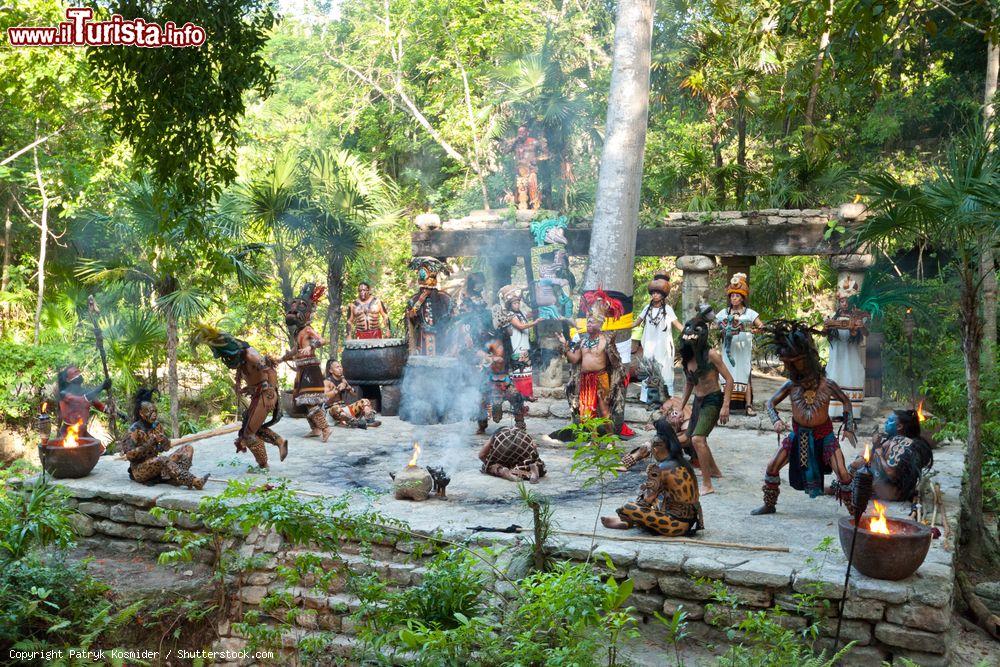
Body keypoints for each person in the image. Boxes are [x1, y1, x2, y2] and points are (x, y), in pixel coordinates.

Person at [750, 320, 858, 516]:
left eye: (793, 362)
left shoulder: (827, 384)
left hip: (824, 436)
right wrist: (775, 420)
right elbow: (770, 403)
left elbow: (846, 402)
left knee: (842, 473)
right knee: (772, 466)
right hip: (798, 436)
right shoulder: (791, 385)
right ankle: (769, 504)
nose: (790, 367)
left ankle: (854, 512)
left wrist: (848, 426)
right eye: (788, 363)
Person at [193, 324, 287, 468]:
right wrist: (245, 387)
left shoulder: (251, 355)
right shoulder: (241, 357)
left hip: (265, 394)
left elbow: (271, 372)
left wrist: (269, 395)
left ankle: (264, 465)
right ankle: (279, 441)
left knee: (249, 434)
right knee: (250, 428)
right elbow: (248, 373)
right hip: (259, 393)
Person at [601, 416, 704, 536]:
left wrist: (629, 510)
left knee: (628, 507)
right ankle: (630, 521)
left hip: (676, 525)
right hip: (691, 522)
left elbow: (646, 501)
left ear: (655, 449)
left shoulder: (661, 468)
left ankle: (627, 521)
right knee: (655, 503)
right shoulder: (684, 462)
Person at [672, 305, 732, 495]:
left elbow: (729, 379)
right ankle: (714, 471)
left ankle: (707, 485)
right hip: (698, 401)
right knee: (692, 439)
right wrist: (680, 408)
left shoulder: (711, 355)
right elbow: (690, 384)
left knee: (698, 439)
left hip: (713, 400)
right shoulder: (687, 359)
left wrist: (726, 406)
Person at [834, 409, 933, 503]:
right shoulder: (896, 439)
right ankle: (845, 484)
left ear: (899, 427)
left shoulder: (902, 443)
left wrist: (879, 453)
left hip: (892, 493)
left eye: (889, 421)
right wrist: (875, 447)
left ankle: (844, 485)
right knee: (863, 456)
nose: (885, 423)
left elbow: (891, 473)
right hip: (894, 490)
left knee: (860, 464)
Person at [120, 389, 208, 489]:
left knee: (188, 448)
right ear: (141, 413)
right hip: (140, 471)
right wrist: (149, 443)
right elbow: (130, 456)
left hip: (157, 464)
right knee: (162, 459)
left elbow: (164, 448)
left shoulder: (157, 426)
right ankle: (193, 481)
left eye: (155, 411)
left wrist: (165, 440)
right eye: (150, 411)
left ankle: (176, 477)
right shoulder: (133, 430)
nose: (154, 414)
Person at [716, 273, 763, 416]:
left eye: (737, 296)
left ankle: (748, 405)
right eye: (732, 296)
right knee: (725, 374)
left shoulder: (750, 313)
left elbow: (761, 327)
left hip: (743, 349)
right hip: (728, 349)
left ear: (742, 297)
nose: (734, 298)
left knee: (744, 374)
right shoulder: (723, 313)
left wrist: (754, 329)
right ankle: (725, 405)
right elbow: (714, 326)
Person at [824, 277, 869, 422]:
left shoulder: (860, 316)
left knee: (853, 377)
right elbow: (827, 335)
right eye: (841, 301)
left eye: (845, 300)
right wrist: (826, 328)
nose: (843, 303)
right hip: (837, 356)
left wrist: (860, 325)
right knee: (834, 377)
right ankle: (836, 412)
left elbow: (866, 334)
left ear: (851, 302)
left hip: (852, 356)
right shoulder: (832, 317)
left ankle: (852, 414)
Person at [635, 274, 682, 402]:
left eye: (658, 293)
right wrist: (620, 324)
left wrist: (689, 331)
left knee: (664, 368)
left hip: (663, 344)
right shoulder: (647, 308)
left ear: (663, 295)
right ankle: (647, 397)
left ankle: (666, 396)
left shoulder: (667, 309)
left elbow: (677, 325)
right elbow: (636, 323)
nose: (655, 295)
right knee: (648, 367)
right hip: (650, 344)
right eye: (653, 293)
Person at [54, 365, 124, 442]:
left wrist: (121, 415)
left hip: (83, 432)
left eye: (78, 371)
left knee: (101, 451)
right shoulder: (64, 393)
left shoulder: (87, 392)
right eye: (75, 373)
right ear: (68, 379)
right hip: (68, 434)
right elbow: (82, 400)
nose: (79, 374)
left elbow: (102, 408)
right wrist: (101, 387)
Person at [493, 285, 540, 399]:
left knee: (527, 371)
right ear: (509, 305)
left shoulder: (521, 313)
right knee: (519, 372)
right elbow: (521, 326)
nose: (517, 305)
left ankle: (528, 394)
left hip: (524, 346)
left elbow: (530, 313)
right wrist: (535, 322)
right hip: (517, 346)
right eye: (514, 303)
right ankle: (521, 395)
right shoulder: (511, 315)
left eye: (518, 302)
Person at [477, 336, 528, 433]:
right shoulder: (488, 343)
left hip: (505, 379)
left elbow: (516, 359)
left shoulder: (508, 345)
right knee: (481, 399)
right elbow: (478, 353)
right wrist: (490, 358)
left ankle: (520, 425)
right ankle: (482, 425)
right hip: (490, 379)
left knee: (516, 397)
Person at [405, 257, 452, 356]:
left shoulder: (445, 299)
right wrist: (420, 301)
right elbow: (411, 318)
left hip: (441, 339)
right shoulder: (414, 299)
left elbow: (452, 319)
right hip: (422, 339)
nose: (427, 291)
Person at [324, 360, 381, 429]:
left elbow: (354, 394)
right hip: (332, 412)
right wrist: (337, 390)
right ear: (331, 370)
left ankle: (370, 421)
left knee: (364, 401)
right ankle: (357, 423)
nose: (340, 369)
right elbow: (325, 397)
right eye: (337, 367)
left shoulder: (343, 380)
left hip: (343, 409)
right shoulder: (327, 382)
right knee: (336, 408)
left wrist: (349, 388)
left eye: (340, 367)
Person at [479, 426, 546, 483]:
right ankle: (534, 469)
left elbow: (481, 455)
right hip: (522, 445)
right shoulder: (521, 432)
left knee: (489, 466)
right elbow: (534, 446)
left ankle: (502, 471)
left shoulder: (497, 434)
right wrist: (534, 458)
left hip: (503, 450)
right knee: (529, 462)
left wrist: (490, 462)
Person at [505, 125, 549, 210]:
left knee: (533, 194)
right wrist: (514, 141)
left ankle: (535, 212)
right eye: (519, 132)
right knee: (519, 197)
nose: (521, 134)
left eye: (522, 132)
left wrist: (537, 159)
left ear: (527, 133)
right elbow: (505, 151)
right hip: (519, 173)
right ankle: (519, 213)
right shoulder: (516, 143)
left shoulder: (534, 142)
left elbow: (547, 154)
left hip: (531, 171)